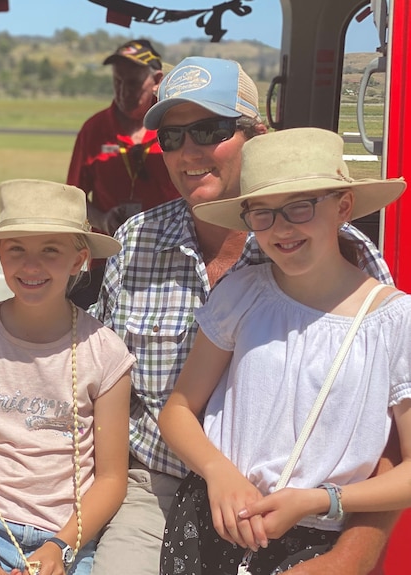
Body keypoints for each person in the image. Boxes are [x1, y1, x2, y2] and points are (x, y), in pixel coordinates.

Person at [89, 57, 401, 575]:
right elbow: (96, 370)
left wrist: (350, 556)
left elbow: (387, 431)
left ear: (255, 136)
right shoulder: (136, 240)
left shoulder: (350, 259)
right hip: (156, 488)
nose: (188, 152)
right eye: (171, 137)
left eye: (209, 130)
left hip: (300, 513)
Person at [157, 127, 410, 574]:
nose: (281, 228)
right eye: (263, 214)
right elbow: (178, 409)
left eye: (300, 207)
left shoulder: (395, 322)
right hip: (210, 519)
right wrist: (219, 473)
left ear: (343, 207)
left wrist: (322, 500)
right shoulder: (241, 293)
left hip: (316, 541)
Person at [0, 179, 133, 575]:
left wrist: (61, 545)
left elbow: (111, 477)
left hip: (65, 536)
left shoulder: (105, 353)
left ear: (79, 261)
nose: (31, 266)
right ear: (0, 254)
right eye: (17, 249)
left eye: (50, 251)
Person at [66, 39, 178, 308]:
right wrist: (103, 219)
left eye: (132, 84)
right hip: (108, 259)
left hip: (169, 257)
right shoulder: (94, 129)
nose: (123, 92)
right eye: (117, 82)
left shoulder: (174, 125)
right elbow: (72, 198)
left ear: (157, 81)